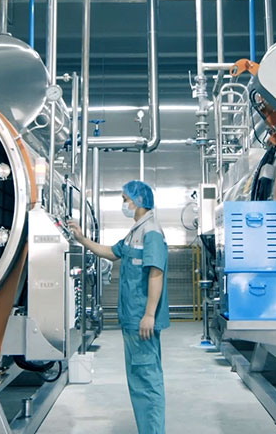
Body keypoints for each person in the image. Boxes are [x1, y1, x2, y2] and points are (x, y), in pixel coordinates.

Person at [68, 180, 169, 434]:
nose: (124, 204)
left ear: (138, 201)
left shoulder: (151, 232)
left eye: (125, 199)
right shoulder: (136, 231)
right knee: (139, 379)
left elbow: (156, 273)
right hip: (132, 318)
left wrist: (149, 314)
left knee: (147, 379)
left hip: (141, 319)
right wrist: (81, 239)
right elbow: (112, 252)